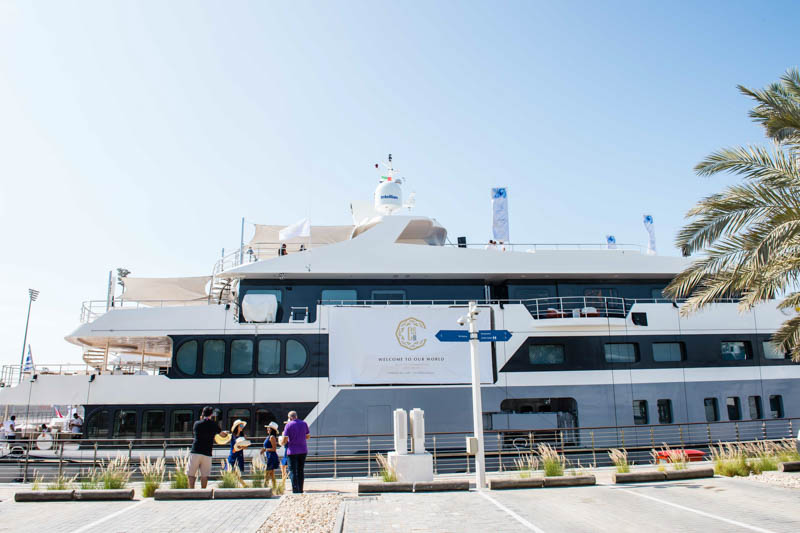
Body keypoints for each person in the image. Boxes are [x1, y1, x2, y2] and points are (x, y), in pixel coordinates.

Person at [187, 406, 228, 489]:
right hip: (207, 453)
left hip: (195, 451)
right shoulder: (213, 425)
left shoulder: (197, 424)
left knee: (191, 474)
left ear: (202, 413)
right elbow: (222, 435)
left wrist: (201, 419)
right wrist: (227, 434)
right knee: (204, 475)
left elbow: (196, 432)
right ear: (211, 414)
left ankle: (191, 491)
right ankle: (203, 492)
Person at [282, 410, 309, 494]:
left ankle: (295, 490)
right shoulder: (304, 423)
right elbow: (308, 436)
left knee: (293, 471)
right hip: (303, 450)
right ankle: (301, 489)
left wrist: (282, 443)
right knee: (300, 470)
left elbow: (285, 438)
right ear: (296, 416)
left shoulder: (288, 425)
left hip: (292, 451)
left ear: (290, 418)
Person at [259, 421, 280, 485]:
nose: (267, 429)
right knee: (271, 474)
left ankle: (265, 485)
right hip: (269, 456)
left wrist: (265, 449)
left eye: (269, 428)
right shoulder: (269, 437)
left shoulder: (272, 437)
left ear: (272, 429)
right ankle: (274, 486)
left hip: (272, 457)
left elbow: (274, 449)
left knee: (267, 473)